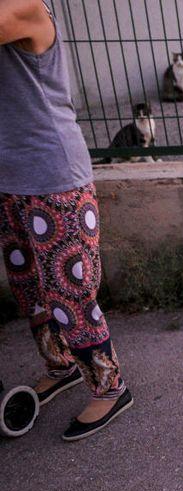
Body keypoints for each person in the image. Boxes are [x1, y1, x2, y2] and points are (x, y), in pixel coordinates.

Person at [0, 0, 132, 441]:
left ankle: (110, 387)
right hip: (9, 177)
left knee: (69, 292)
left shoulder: (29, 9)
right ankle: (61, 366)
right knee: (29, 287)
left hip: (55, 175)